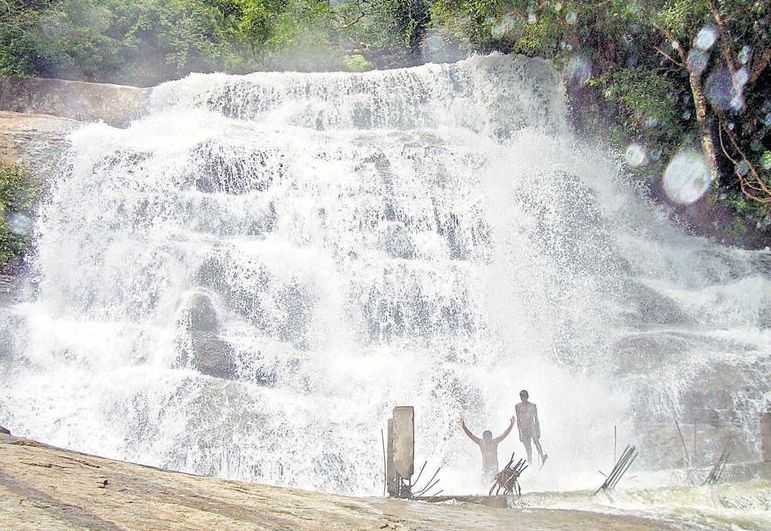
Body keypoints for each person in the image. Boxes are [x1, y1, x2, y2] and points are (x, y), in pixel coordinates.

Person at [460, 416, 515, 483]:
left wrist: (511, 425)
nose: (487, 439)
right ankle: (483, 491)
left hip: (494, 467)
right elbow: (471, 435)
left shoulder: (494, 442)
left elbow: (504, 434)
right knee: (483, 482)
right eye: (486, 438)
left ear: (491, 437)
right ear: (484, 438)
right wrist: (464, 427)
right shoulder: (481, 443)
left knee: (494, 481)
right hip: (485, 467)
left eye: (489, 437)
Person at [515, 389, 547, 466]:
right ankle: (530, 464)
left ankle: (542, 456)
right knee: (528, 449)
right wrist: (519, 433)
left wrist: (538, 431)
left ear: (527, 397)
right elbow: (518, 420)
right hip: (523, 429)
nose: (523, 398)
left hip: (531, 428)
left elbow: (536, 419)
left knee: (536, 441)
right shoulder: (517, 406)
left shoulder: (532, 406)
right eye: (522, 397)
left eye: (525, 396)